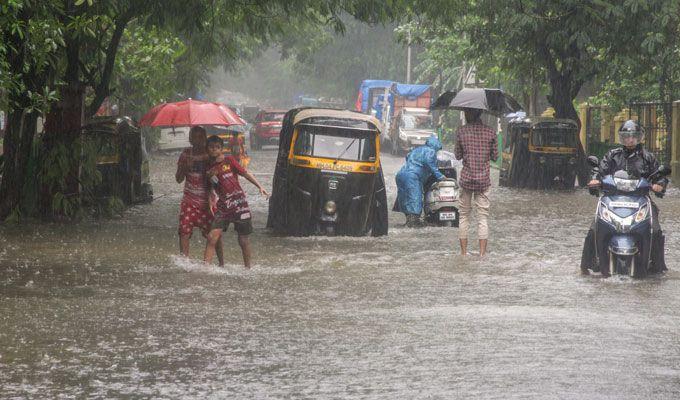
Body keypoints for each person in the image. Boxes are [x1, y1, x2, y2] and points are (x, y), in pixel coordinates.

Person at [580, 120, 668, 275]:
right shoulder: (612, 155)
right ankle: (588, 264)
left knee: (656, 230)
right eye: (626, 136)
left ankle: (657, 266)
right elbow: (599, 170)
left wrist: (659, 184)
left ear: (640, 137)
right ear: (622, 138)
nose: (630, 139)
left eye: (634, 136)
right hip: (612, 198)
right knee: (593, 229)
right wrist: (594, 179)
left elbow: (659, 176)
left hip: (641, 199)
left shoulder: (648, 158)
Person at [203, 135, 269, 268]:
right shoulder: (208, 169)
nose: (214, 150)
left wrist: (260, 186)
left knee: (243, 240)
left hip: (239, 203)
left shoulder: (229, 160)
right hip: (223, 205)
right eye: (211, 147)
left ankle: (248, 268)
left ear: (222, 149)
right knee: (212, 237)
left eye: (217, 147)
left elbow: (245, 173)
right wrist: (210, 199)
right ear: (207, 149)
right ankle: (206, 269)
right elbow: (210, 187)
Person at [175, 126, 224, 265]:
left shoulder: (211, 155)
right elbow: (178, 179)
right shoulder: (185, 154)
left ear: (205, 139)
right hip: (189, 201)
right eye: (194, 137)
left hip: (207, 203)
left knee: (214, 236)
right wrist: (185, 166)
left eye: (200, 137)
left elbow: (220, 177)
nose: (197, 140)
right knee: (184, 232)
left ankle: (222, 264)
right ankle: (185, 263)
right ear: (190, 138)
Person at [454, 108, 498, 257]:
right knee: (482, 217)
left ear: (468, 114)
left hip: (466, 179)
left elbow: (458, 156)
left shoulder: (461, 132)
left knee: (464, 216)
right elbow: (495, 156)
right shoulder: (491, 132)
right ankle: (481, 255)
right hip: (483, 181)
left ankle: (464, 253)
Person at [395, 136, 445, 227]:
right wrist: (440, 176)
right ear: (436, 145)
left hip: (401, 175)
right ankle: (414, 222)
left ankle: (409, 220)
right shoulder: (430, 151)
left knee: (405, 198)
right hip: (412, 177)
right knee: (415, 198)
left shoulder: (416, 150)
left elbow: (408, 157)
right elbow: (429, 163)